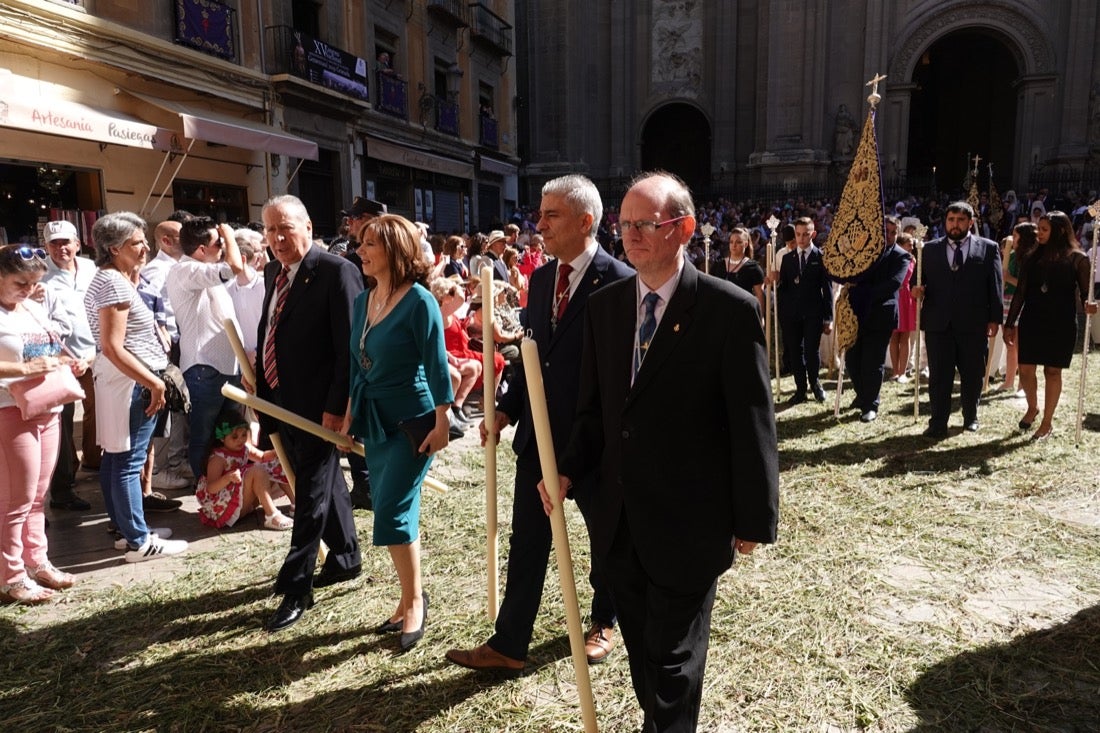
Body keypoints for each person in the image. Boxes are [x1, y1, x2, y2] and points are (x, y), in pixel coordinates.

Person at [542, 172, 779, 732]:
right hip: (621, 520)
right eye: (625, 224)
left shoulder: (728, 311)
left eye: (645, 224)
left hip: (690, 523)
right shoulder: (606, 307)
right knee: (646, 658)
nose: (631, 235)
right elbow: (593, 412)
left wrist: (753, 517)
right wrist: (568, 470)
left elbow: (752, 423)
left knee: (673, 663)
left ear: (684, 229)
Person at [445, 173, 633, 674]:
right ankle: (510, 642)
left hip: (591, 444)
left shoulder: (620, 282)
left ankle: (604, 620)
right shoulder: (545, 278)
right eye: (541, 213)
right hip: (538, 438)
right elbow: (534, 354)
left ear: (585, 221)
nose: (539, 224)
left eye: (551, 215)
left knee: (604, 537)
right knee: (527, 539)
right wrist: (507, 406)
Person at [250, 195, 363, 632]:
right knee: (323, 482)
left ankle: (297, 586)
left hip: (320, 408)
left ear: (309, 226)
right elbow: (270, 331)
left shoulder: (337, 272)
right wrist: (262, 391)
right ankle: (347, 556)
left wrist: (337, 408)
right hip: (281, 399)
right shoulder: (272, 272)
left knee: (310, 494)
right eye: (270, 230)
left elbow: (348, 348)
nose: (277, 239)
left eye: (286, 229)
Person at [344, 214, 453, 653]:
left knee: (392, 511)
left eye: (370, 243)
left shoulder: (419, 300)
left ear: (394, 249)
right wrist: (350, 416)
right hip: (374, 420)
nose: (360, 250)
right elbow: (356, 362)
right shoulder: (363, 300)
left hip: (414, 422)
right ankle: (410, 596)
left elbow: (437, 362)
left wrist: (444, 420)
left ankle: (414, 603)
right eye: (361, 242)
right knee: (394, 514)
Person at [85, 212, 189, 562]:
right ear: (113, 248)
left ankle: (128, 529)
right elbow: (114, 345)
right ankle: (139, 540)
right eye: (136, 242)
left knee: (118, 459)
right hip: (131, 382)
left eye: (145, 240)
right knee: (128, 461)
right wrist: (154, 382)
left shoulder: (111, 278)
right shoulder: (113, 283)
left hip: (122, 380)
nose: (145, 247)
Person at [0, 244, 87, 602]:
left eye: (33, 283)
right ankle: (11, 576)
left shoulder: (31, 308)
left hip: (47, 407)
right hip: (8, 409)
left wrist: (66, 363)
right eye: (20, 283)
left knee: (37, 496)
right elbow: (24, 363)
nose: (28, 290)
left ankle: (37, 562)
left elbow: (47, 350)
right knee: (15, 500)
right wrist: (24, 369)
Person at [912, 201, 1003, 438]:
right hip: (938, 323)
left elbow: (995, 286)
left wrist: (994, 318)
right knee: (939, 376)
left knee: (972, 374)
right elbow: (916, 282)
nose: (955, 225)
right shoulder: (928, 249)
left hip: (973, 323)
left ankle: (970, 416)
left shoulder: (988, 248)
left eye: (960, 220)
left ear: (970, 222)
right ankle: (938, 422)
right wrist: (916, 290)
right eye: (951, 220)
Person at [1003, 211, 1096, 440]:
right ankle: (1032, 407)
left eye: (1044, 229)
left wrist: (1089, 304)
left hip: (1061, 322)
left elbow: (1086, 294)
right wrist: (1009, 323)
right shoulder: (1032, 257)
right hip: (1033, 319)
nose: (1039, 233)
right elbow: (1021, 292)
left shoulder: (1078, 259)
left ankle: (1046, 422)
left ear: (1060, 231)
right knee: (1025, 369)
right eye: (1038, 229)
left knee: (1052, 371)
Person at [166, 216, 245, 480]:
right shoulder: (186, 270)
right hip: (205, 367)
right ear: (201, 249)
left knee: (228, 434)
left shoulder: (202, 272)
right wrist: (231, 235)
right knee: (203, 434)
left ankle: (225, 490)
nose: (223, 247)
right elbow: (234, 266)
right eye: (218, 243)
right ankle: (205, 490)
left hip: (226, 366)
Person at [40, 220, 96, 511]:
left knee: (99, 415)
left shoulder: (90, 268)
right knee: (61, 425)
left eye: (66, 242)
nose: (61, 248)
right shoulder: (39, 276)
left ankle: (94, 463)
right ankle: (63, 488)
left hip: (96, 353)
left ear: (77, 243)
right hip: (62, 360)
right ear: (46, 246)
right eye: (54, 243)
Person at [140, 214, 193, 494]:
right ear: (166, 240)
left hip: (179, 345)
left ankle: (175, 462)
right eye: (182, 238)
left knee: (179, 408)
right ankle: (161, 470)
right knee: (167, 411)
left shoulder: (178, 266)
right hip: (166, 347)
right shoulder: (156, 272)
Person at [844, 231, 912, 422]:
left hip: (881, 315)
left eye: (891, 231)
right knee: (853, 360)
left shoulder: (901, 255)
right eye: (884, 230)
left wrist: (864, 294)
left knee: (872, 363)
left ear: (896, 233)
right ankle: (862, 394)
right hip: (857, 314)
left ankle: (871, 404)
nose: (887, 235)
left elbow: (894, 283)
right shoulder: (864, 249)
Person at [195, 407, 293, 530]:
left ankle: (296, 503)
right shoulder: (218, 459)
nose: (240, 440)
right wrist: (227, 478)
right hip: (224, 508)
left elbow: (262, 457)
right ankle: (272, 515)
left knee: (277, 463)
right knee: (257, 470)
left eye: (243, 435)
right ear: (221, 438)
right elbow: (211, 488)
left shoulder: (244, 448)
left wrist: (277, 452)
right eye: (234, 437)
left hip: (243, 500)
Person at [777, 216, 833, 403]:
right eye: (798, 234)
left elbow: (827, 289)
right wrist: (782, 313)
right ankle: (800, 389)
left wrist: (828, 318)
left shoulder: (821, 257)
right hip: (791, 315)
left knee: (811, 351)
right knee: (795, 351)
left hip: (813, 313)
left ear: (813, 234)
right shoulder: (787, 258)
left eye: (805, 234)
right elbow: (783, 289)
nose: (801, 239)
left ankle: (815, 383)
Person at [1000, 223, 1038, 395]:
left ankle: (1023, 384)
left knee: (1021, 345)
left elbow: (1029, 286)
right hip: (1007, 299)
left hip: (1022, 302)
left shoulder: (1032, 257)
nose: (1012, 239)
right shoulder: (1011, 255)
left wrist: (1008, 278)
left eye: (1016, 236)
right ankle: (1009, 381)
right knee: (1009, 344)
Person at [712, 226, 765, 317]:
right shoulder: (718, 265)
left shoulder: (753, 268)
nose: (734, 245)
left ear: (745, 244)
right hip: (720, 314)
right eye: (731, 242)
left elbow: (759, 295)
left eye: (738, 242)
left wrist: (760, 317)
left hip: (742, 315)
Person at [888, 233, 917, 383]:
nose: (912, 246)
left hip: (907, 298)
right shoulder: (892, 258)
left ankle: (903, 372)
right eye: (909, 243)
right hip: (895, 296)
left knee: (905, 336)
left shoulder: (913, 260)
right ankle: (895, 371)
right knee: (894, 336)